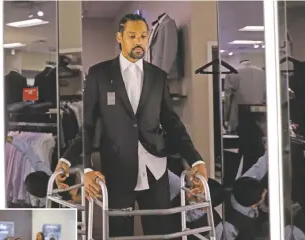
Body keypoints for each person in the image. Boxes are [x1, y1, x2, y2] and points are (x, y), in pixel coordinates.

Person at [59, 13, 208, 237]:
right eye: (132, 36)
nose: (139, 41)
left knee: (160, 232)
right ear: (120, 37)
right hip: (117, 170)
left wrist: (195, 159)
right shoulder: (99, 74)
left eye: (143, 36)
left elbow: (172, 123)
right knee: (120, 232)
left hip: (156, 169)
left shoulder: (158, 76)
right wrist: (81, 165)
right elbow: (88, 126)